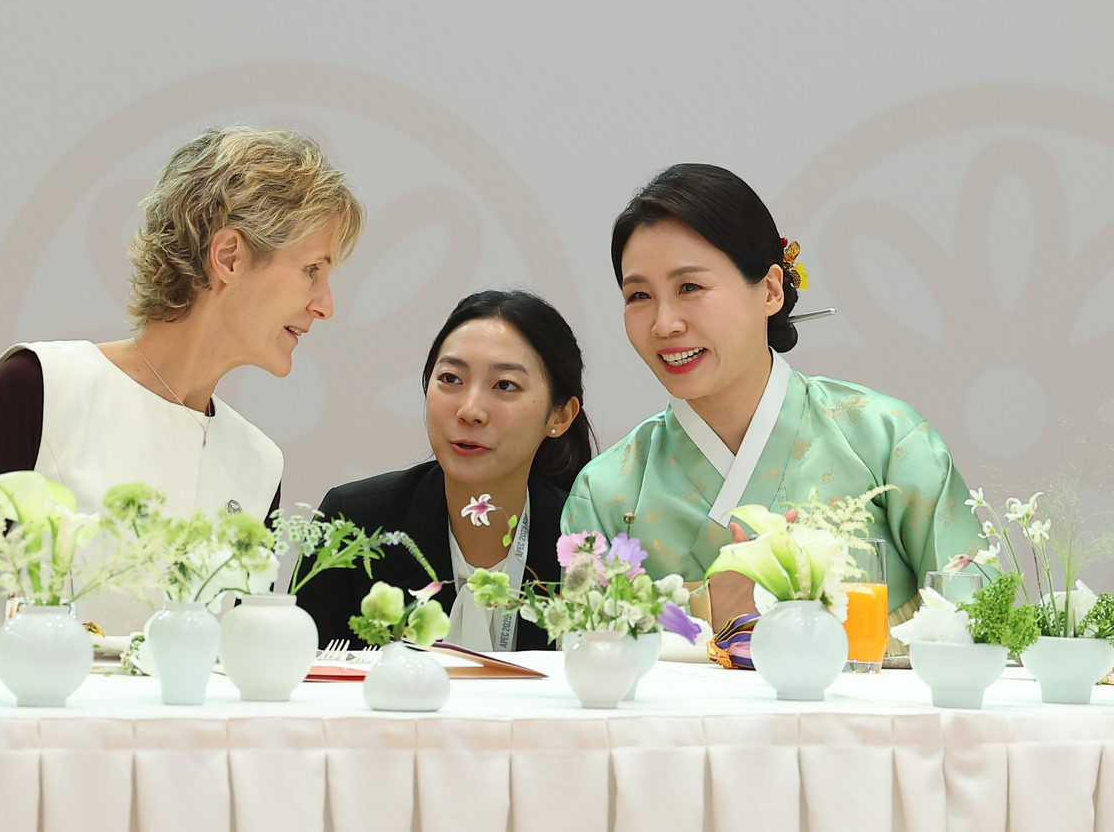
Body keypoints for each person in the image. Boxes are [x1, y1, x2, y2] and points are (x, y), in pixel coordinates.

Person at [0, 127, 364, 633]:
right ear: (229, 256)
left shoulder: (258, 463)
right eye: (312, 270)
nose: (325, 305)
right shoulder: (39, 388)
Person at [563, 163, 983, 637]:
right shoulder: (605, 491)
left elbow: (983, 624)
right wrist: (708, 606)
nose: (664, 324)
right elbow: (588, 665)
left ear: (769, 290)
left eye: (690, 287)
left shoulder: (886, 440)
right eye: (638, 295)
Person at [297, 290, 596, 651]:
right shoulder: (354, 522)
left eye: (505, 385)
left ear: (559, 416)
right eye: (451, 379)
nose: (470, 410)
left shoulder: (584, 539)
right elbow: (298, 679)